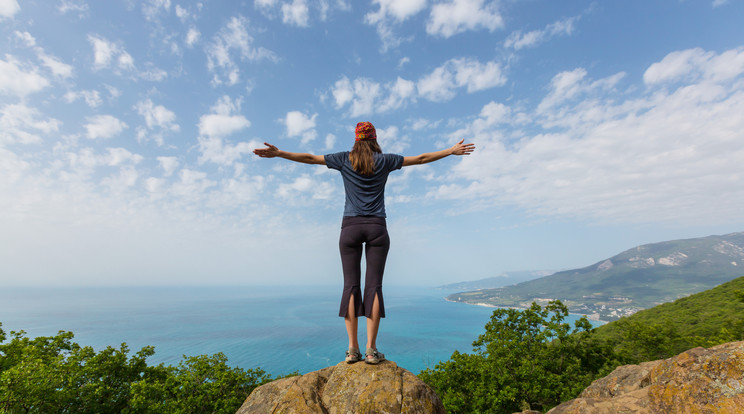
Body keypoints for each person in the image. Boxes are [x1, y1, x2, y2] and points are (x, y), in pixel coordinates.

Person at [253, 122, 475, 365]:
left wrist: (280, 153)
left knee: (350, 286)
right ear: (375, 139)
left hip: (350, 227)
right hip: (377, 227)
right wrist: (449, 151)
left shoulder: (343, 159)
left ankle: (352, 350)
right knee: (374, 286)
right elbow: (421, 158)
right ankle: (371, 350)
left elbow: (309, 158)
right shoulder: (385, 160)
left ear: (356, 140)